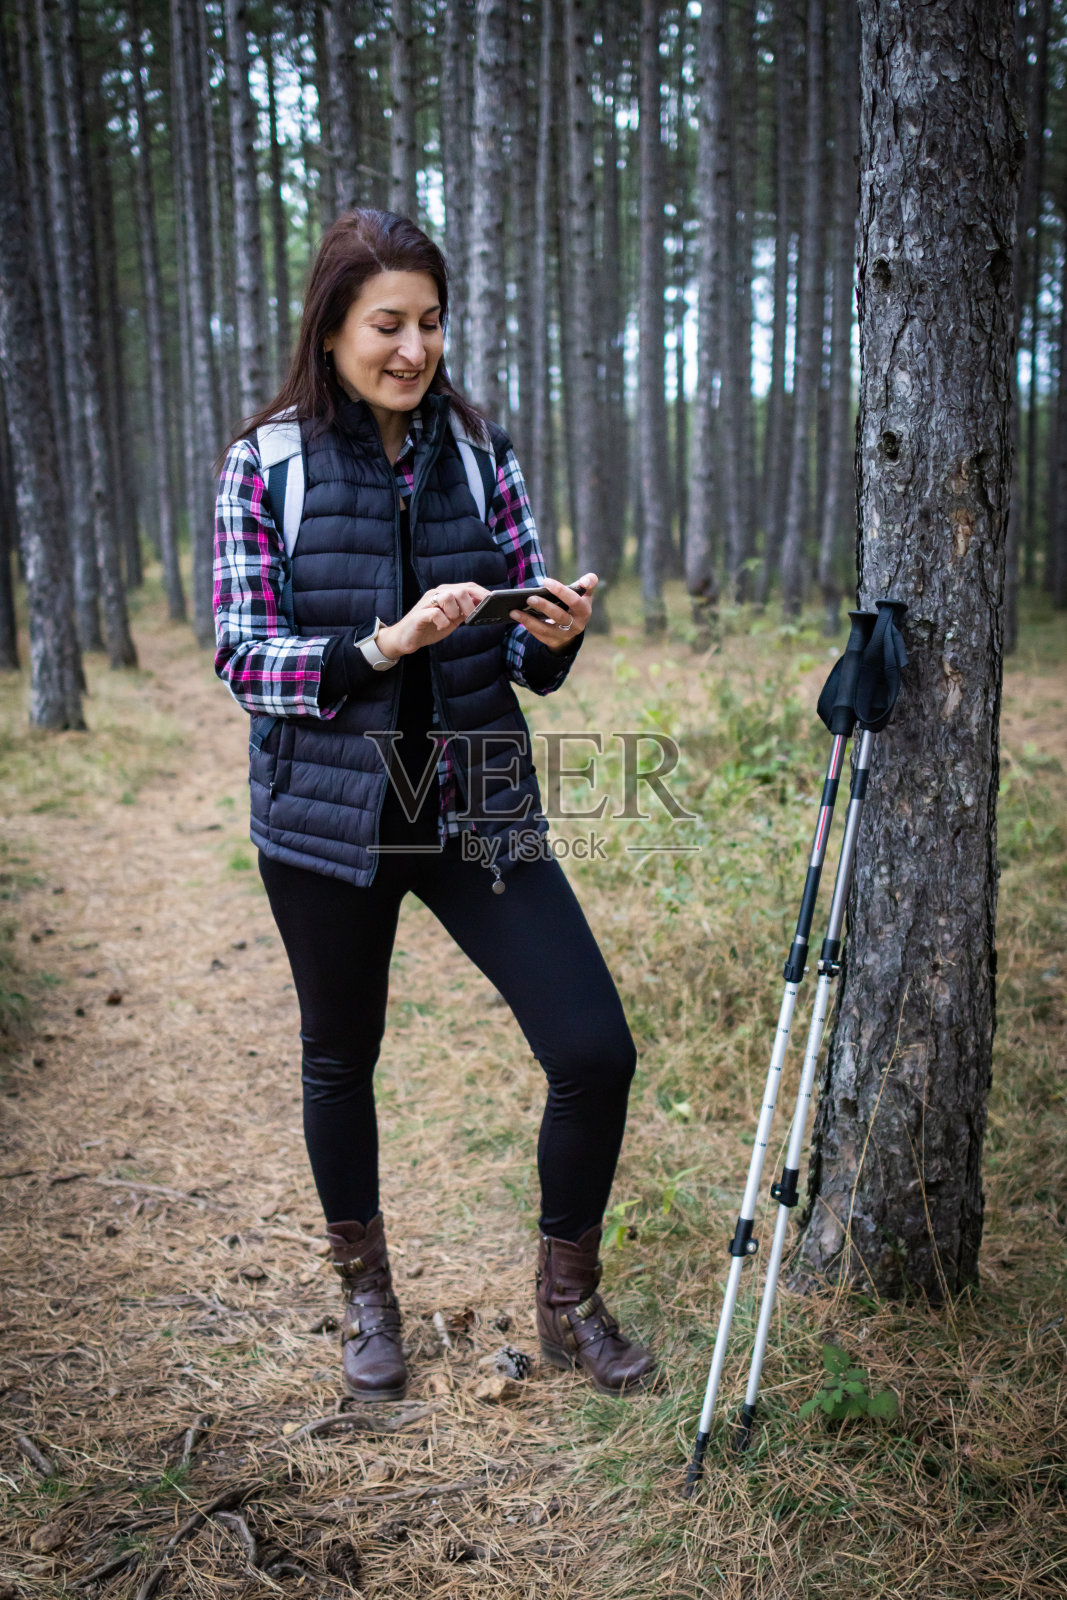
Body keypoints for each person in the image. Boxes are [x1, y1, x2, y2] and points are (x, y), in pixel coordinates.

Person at [213, 209, 652, 1403]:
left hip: (473, 800)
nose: (413, 348)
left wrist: (552, 637)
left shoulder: (476, 450)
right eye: (387, 325)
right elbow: (244, 656)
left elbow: (519, 643)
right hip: (327, 812)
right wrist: (378, 646)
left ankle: (566, 1303)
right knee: (339, 1058)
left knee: (592, 1049)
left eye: (430, 322)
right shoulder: (270, 463)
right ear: (335, 328)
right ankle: (367, 1298)